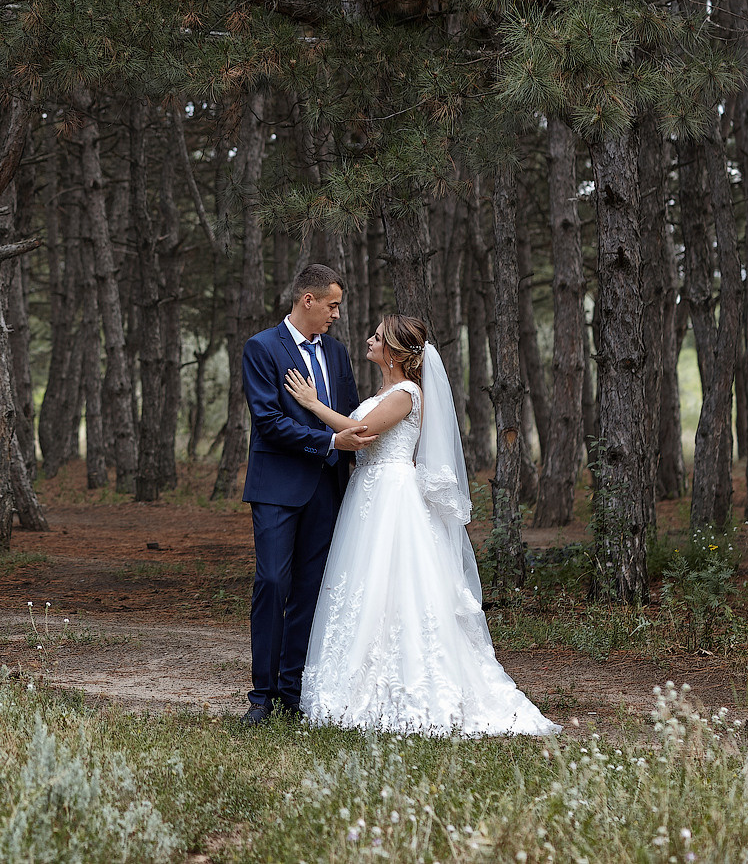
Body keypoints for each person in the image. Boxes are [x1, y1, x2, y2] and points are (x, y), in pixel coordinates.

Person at [284, 314, 558, 736]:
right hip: (368, 492)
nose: (369, 340)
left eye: (377, 337)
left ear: (393, 352)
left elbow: (361, 432)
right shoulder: (384, 389)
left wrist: (313, 404)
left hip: (393, 496)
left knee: (395, 584)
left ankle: (412, 688)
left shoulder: (407, 393)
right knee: (363, 586)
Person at [237, 264, 375, 725]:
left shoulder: (336, 353)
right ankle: (262, 695)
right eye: (332, 304)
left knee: (311, 589)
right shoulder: (261, 348)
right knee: (273, 582)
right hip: (277, 486)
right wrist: (329, 442)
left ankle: (293, 691)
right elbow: (269, 421)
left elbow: (348, 412)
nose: (337, 314)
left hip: (328, 486)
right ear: (308, 300)